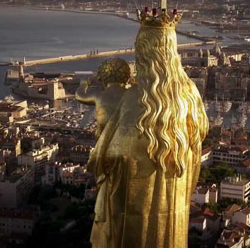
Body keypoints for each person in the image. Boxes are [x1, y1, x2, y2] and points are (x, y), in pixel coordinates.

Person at [79, 17, 208, 248]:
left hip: (133, 206)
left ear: (144, 53)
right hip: (175, 202)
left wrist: (101, 161)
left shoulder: (134, 98)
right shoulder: (190, 95)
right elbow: (196, 152)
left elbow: (114, 155)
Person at [75, 58, 131, 138]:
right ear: (126, 77)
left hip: (104, 139)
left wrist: (84, 84)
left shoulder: (99, 96)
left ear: (103, 78)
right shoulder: (131, 94)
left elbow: (79, 95)